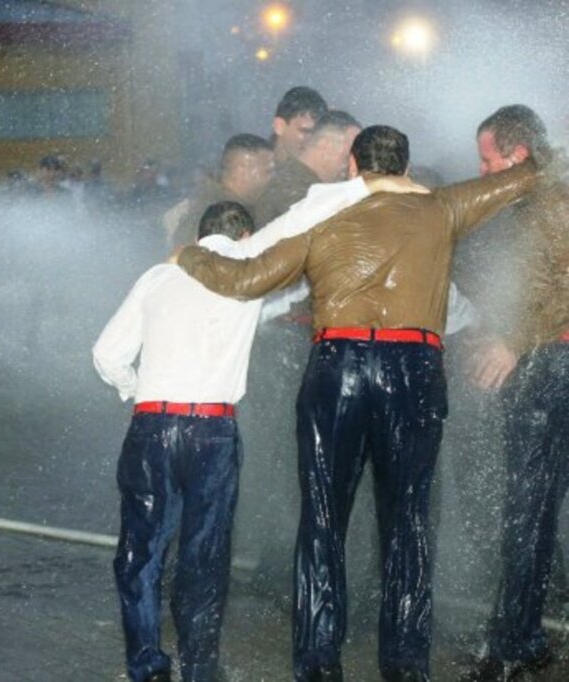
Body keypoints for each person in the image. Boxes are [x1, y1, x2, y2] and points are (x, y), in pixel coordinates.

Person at [175, 125, 538, 681]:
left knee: (322, 520)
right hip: (412, 370)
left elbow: (247, 278)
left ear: (352, 166)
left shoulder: (326, 217)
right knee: (408, 522)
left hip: (336, 370)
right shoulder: (443, 208)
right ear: (406, 168)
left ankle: (319, 665)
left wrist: (190, 258)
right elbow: (527, 176)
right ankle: (405, 666)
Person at [97, 165, 431, 682]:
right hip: (211, 432)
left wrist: (136, 389)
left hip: (150, 427)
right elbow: (304, 216)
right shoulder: (248, 269)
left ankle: (146, 665)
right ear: (246, 236)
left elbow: (106, 353)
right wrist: (372, 184)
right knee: (203, 557)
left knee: (139, 553)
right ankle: (201, 670)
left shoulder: (158, 275)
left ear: (198, 236)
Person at [462, 105, 568, 681]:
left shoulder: (548, 199)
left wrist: (511, 340)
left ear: (517, 155)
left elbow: (560, 285)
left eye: (488, 159)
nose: (483, 171)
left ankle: (509, 646)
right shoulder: (549, 190)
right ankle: (525, 631)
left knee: (526, 507)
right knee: (541, 504)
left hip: (553, 360)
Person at [255, 110, 361, 228]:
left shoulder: (295, 183)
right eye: (349, 155)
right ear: (325, 145)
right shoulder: (297, 193)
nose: (353, 163)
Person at [165, 134, 275, 248]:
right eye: (268, 172)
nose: (273, 178)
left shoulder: (247, 206)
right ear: (242, 171)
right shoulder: (214, 216)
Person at [270, 86, 329, 165]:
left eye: (317, 134)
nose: (312, 140)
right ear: (279, 126)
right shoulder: (258, 169)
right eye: (305, 131)